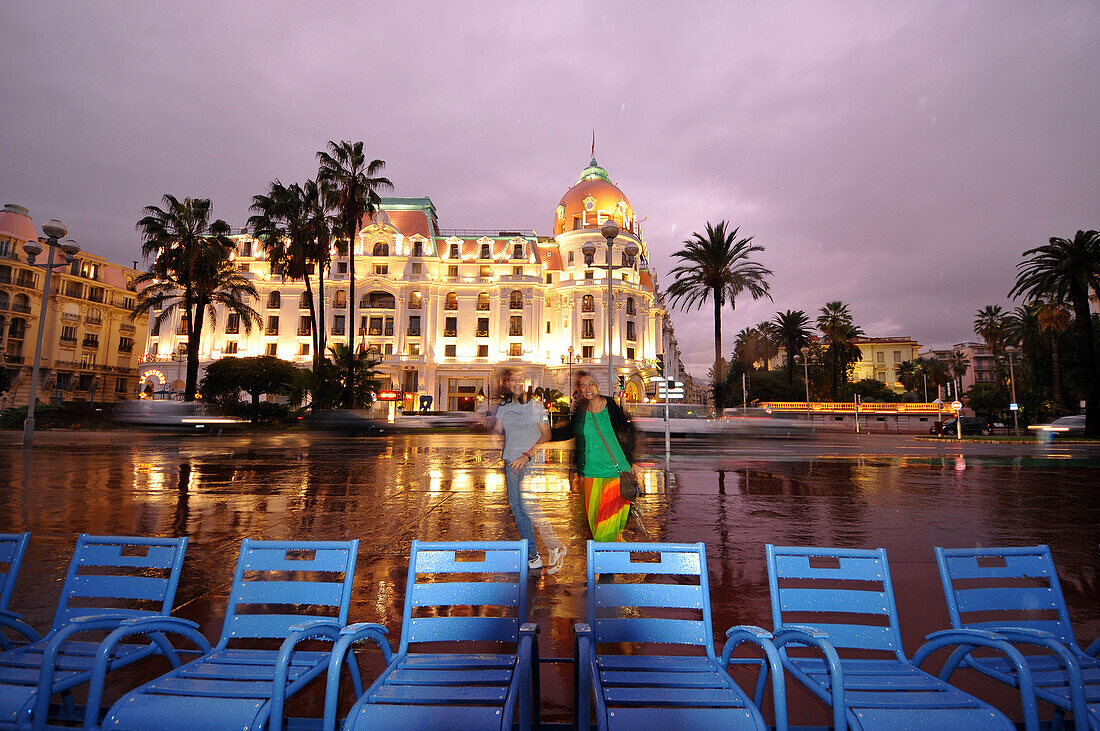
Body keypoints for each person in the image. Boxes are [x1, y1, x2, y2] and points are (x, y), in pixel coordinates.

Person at [492, 369, 567, 574]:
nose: (517, 383)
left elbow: (546, 434)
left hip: (530, 460)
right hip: (510, 460)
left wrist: (527, 455)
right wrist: (489, 430)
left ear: (525, 383)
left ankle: (555, 545)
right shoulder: (504, 407)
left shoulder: (536, 406)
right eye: (513, 380)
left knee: (527, 505)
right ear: (508, 385)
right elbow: (498, 429)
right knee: (517, 508)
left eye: (520, 379)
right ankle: (533, 556)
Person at [550, 371, 639, 543]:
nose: (587, 388)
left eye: (591, 384)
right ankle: (611, 560)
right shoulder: (581, 411)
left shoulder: (611, 406)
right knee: (596, 523)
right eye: (583, 386)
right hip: (591, 474)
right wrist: (544, 433)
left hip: (617, 473)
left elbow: (629, 432)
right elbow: (568, 432)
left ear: (597, 385)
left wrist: (633, 461)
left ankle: (607, 566)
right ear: (579, 391)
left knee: (609, 526)